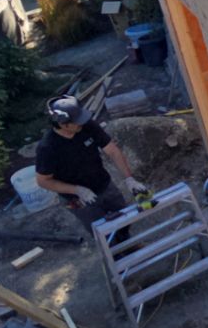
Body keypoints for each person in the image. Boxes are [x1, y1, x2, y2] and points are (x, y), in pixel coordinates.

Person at [35, 95, 145, 233]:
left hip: (103, 184)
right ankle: (114, 253)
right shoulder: (48, 147)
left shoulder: (87, 126)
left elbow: (112, 151)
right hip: (78, 199)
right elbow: (43, 181)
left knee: (123, 217)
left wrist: (129, 179)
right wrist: (77, 190)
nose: (82, 123)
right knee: (101, 230)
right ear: (63, 124)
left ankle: (128, 245)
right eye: (77, 121)